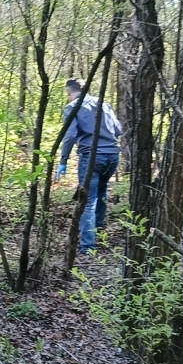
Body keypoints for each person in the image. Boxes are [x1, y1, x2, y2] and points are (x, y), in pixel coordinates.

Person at [57, 77, 122, 254]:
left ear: (69, 92)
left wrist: (63, 161)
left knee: (88, 201)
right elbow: (118, 130)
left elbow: (70, 136)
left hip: (92, 158)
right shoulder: (103, 104)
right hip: (113, 155)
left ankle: (88, 246)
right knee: (101, 191)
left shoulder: (73, 107)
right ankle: (99, 232)